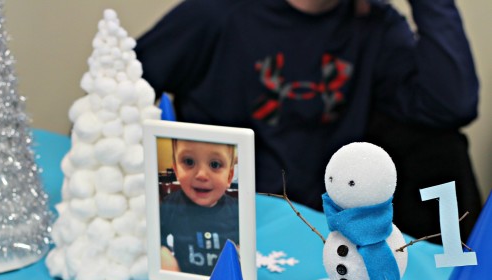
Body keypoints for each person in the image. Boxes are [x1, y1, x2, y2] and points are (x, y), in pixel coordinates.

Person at [136, 0, 480, 224]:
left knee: (442, 146)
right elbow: (118, 96)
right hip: (230, 222)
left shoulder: (374, 24)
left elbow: (452, 105)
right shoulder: (214, 15)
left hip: (328, 225)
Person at [160, 139, 239, 275]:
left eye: (215, 164)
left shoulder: (237, 211)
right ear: (176, 171)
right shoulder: (170, 205)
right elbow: (152, 237)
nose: (201, 175)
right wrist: (163, 254)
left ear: (229, 177)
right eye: (189, 162)